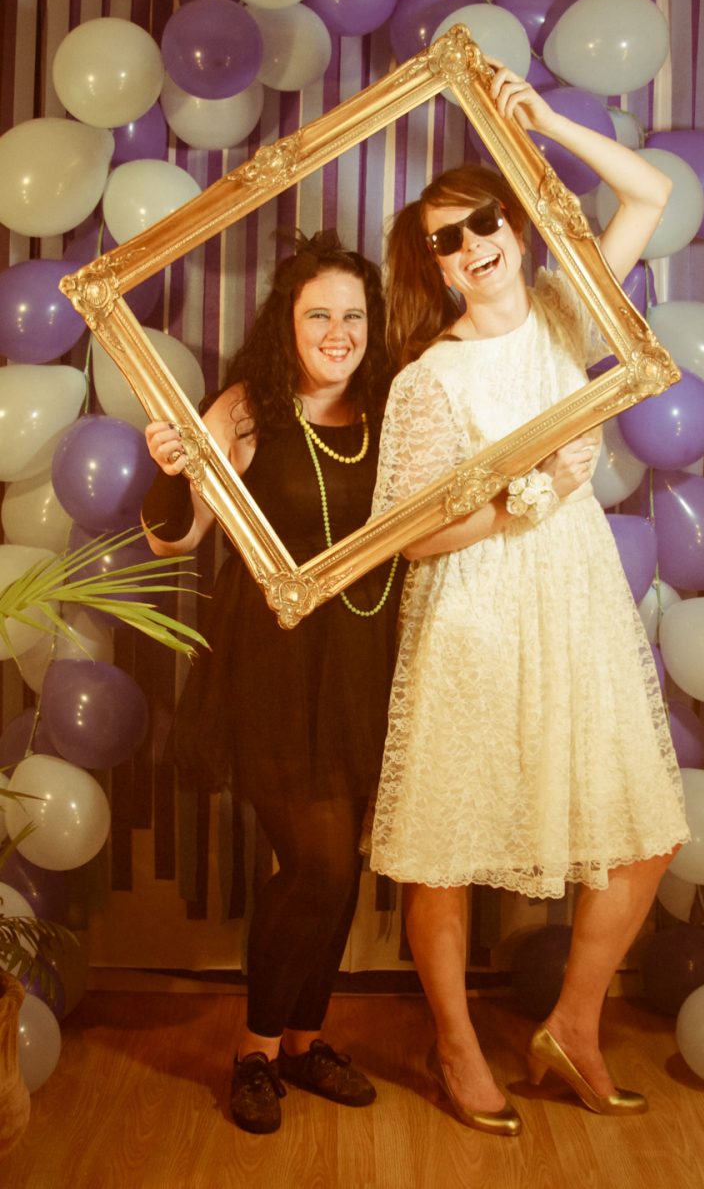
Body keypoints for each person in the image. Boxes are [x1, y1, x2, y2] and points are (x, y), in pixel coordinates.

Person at [366, 66, 690, 1137]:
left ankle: (574, 1027)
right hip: (473, 609)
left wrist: (547, 125)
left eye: (484, 221)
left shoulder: (563, 311)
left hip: (577, 597)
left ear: (514, 221)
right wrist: (521, 499)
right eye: (447, 240)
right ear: (436, 265)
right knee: (448, 844)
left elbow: (649, 193)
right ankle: (457, 1045)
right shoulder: (427, 378)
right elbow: (408, 539)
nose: (472, 246)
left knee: (644, 830)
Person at [141, 231, 403, 1135]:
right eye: (318, 314)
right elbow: (174, 536)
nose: (337, 332)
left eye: (353, 315)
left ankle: (305, 1040)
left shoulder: (391, 411)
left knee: (341, 867)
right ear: (286, 323)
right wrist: (172, 470)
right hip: (274, 666)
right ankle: (253, 1051)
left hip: (365, 662)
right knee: (319, 862)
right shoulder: (247, 410)